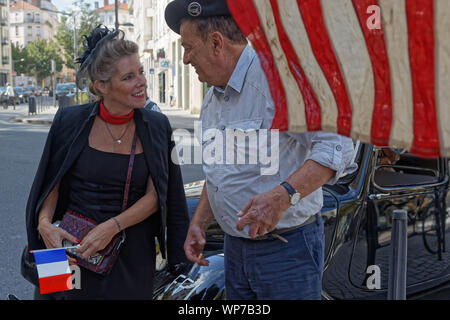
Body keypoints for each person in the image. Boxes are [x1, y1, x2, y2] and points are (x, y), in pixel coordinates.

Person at [165, 0, 356, 300]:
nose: (186, 59)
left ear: (216, 43)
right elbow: (220, 169)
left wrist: (282, 197)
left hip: (286, 251)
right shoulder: (214, 96)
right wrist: (200, 223)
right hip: (235, 249)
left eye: (189, 48)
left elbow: (338, 148)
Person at [24, 26, 189, 300]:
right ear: (102, 85)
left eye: (141, 72)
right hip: (65, 247)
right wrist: (44, 226)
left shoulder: (157, 126)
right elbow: (51, 184)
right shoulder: (69, 121)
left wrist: (111, 227)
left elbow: (156, 194)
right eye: (128, 77)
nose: (141, 82)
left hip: (131, 252)